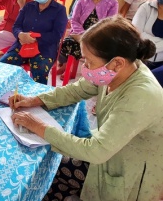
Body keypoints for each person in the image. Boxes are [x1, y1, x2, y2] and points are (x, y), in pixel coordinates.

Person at [9, 15, 163, 201]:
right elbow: (77, 90)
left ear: (117, 62)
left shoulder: (140, 96)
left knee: (53, 170)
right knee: (51, 170)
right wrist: (35, 100)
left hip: (129, 172)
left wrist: (39, 127)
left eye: (89, 62)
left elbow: (96, 151)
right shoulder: (119, 71)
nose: (85, 68)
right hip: (109, 153)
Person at [0, 0, 68, 85]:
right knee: (2, 65)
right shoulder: (28, 6)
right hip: (22, 45)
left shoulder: (59, 10)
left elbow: (57, 34)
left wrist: (35, 39)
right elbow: (16, 26)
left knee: (39, 71)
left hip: (44, 49)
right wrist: (20, 34)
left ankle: (36, 100)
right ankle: (3, 95)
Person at [58, 0, 118, 77]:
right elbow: (74, 20)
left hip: (99, 36)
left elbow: (109, 24)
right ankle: (67, 67)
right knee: (68, 42)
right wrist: (81, 35)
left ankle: (90, 72)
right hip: (79, 34)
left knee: (102, 48)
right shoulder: (82, 0)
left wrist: (88, 37)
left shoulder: (112, 3)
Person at [132, 0, 163, 70]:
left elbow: (143, 36)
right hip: (138, 58)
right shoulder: (146, 7)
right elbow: (136, 33)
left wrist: (147, 39)